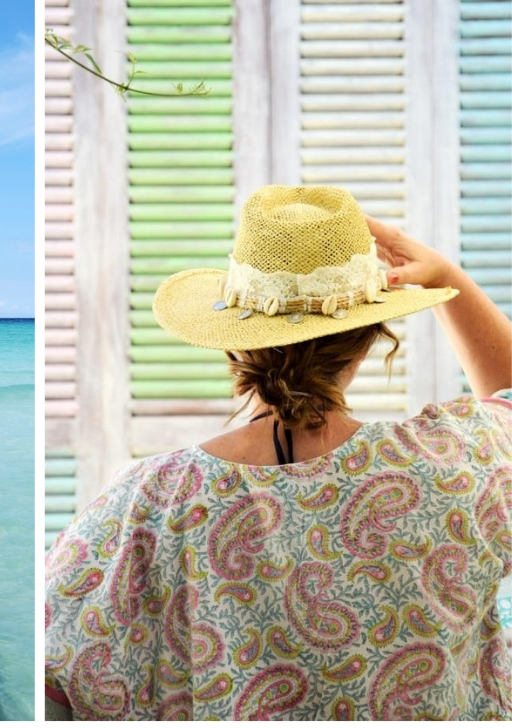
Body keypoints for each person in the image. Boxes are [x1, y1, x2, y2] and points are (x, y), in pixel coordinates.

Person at [44, 186, 512, 720]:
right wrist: (448, 278)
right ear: (369, 338)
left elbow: (55, 677)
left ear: (235, 339)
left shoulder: (146, 505)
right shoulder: (461, 464)